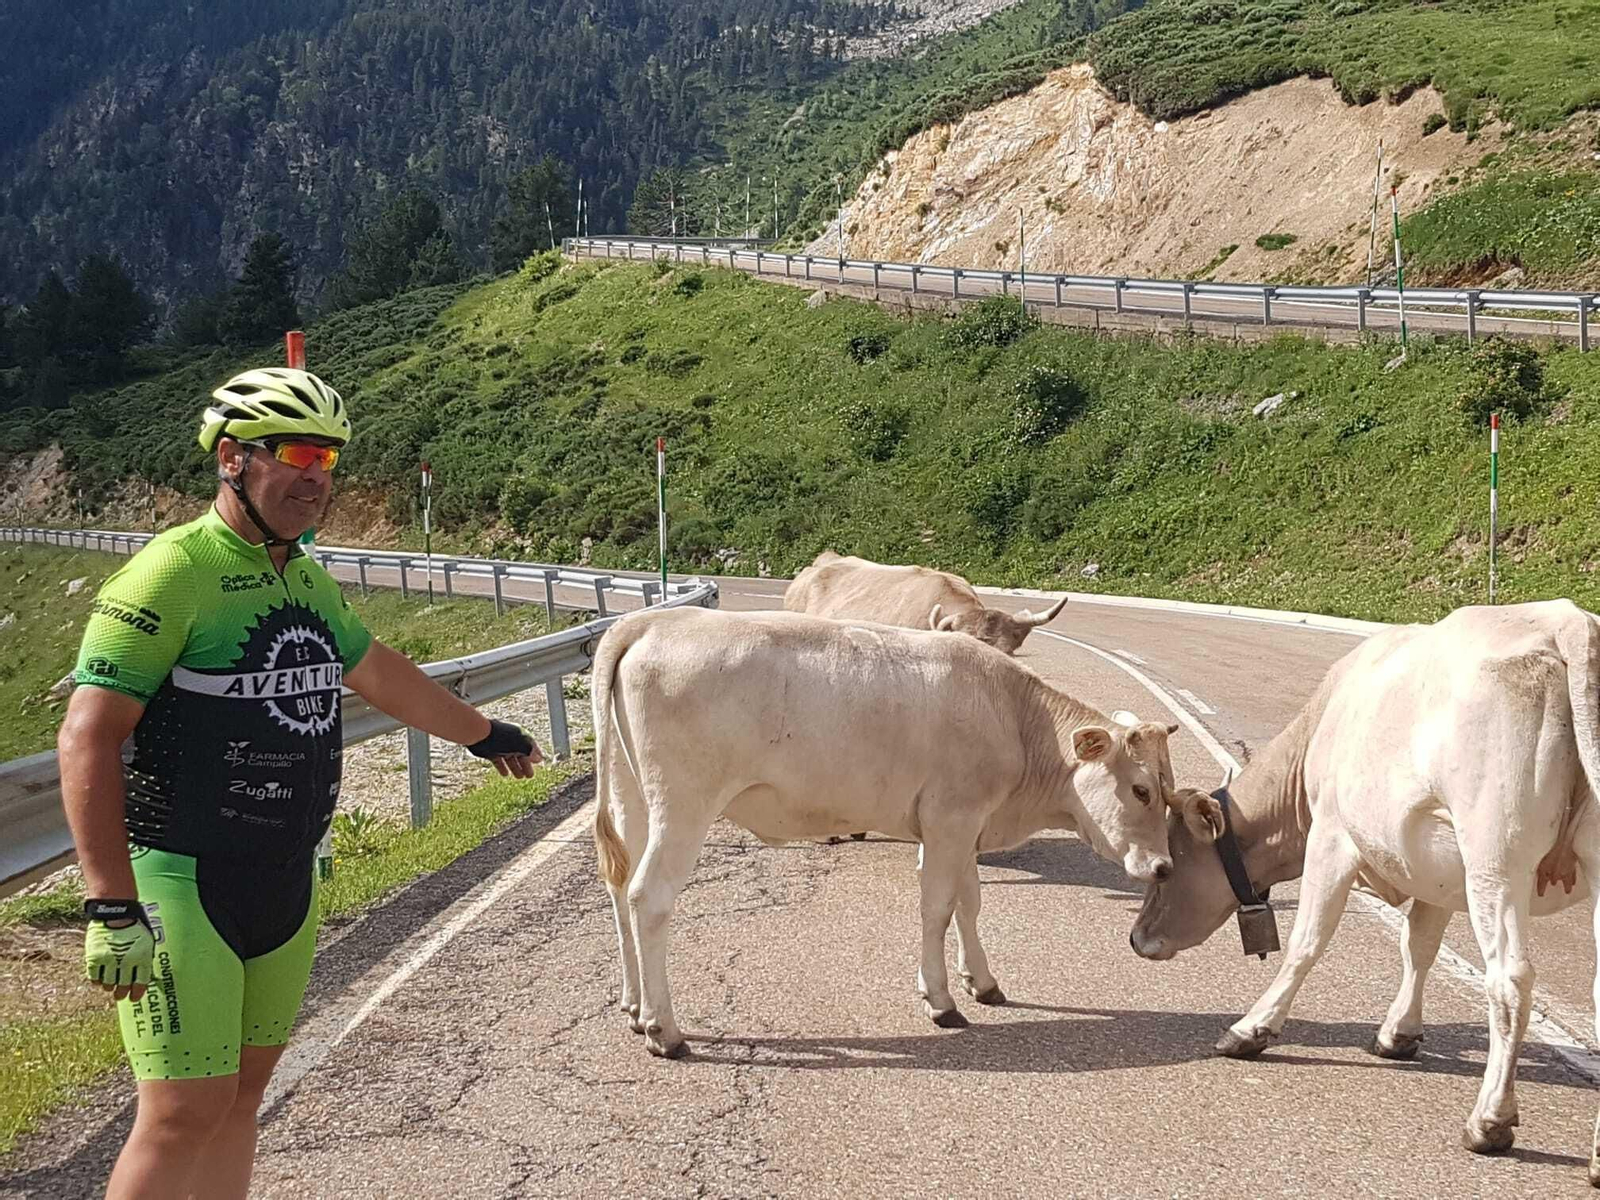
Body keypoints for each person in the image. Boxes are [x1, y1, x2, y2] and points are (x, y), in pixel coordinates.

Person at [58, 367, 544, 1200]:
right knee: (182, 1111)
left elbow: (376, 670)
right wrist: (110, 902)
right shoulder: (170, 572)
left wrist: (480, 732)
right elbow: (88, 735)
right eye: (295, 452)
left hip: (283, 878)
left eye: (328, 457)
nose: (316, 476)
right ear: (232, 460)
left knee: (243, 1098)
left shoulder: (303, 574)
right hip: (182, 877)